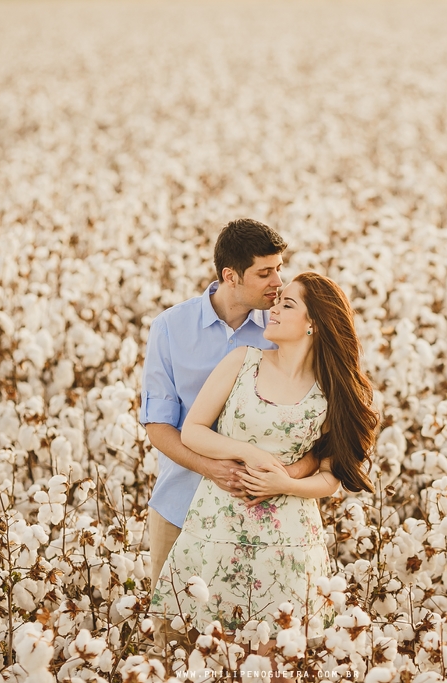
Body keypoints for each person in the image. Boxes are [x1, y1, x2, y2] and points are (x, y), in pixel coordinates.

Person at [150, 272, 378, 651]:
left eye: (287, 304)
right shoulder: (243, 361)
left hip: (288, 539)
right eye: (277, 300)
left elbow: (330, 477)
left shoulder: (332, 390)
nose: (273, 307)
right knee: (201, 651)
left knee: (275, 659)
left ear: (313, 324)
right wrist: (251, 454)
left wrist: (285, 484)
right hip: (217, 524)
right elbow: (192, 431)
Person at [139, 219, 319, 651]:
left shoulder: (281, 325)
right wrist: (211, 468)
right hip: (180, 504)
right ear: (230, 276)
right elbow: (158, 426)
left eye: (280, 268)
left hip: (262, 511)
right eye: (265, 272)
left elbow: (312, 424)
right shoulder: (171, 328)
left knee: (254, 646)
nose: (278, 282)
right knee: (176, 640)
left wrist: (284, 475)